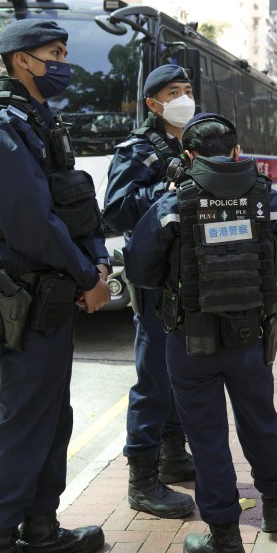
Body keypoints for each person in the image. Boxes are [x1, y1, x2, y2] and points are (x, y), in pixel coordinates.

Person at [0, 19, 111, 553]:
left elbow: (74, 203)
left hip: (54, 293)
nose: (63, 62)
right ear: (22, 61)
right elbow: (30, 224)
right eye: (53, 53)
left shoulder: (41, 123)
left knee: (52, 417)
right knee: (23, 423)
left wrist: (98, 267)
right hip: (25, 294)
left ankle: (40, 530)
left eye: (64, 51)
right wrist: (83, 276)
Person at [123, 112, 277, 553]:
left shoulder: (171, 203)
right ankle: (275, 505)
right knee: (261, 422)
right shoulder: (269, 197)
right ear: (238, 152)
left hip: (191, 343)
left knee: (206, 439)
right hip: (251, 339)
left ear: (188, 155)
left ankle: (225, 542)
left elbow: (141, 270)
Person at [103, 64, 197, 520]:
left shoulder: (197, 142)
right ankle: (142, 479)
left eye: (187, 90)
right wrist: (169, 186)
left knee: (183, 372)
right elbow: (117, 211)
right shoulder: (137, 150)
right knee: (154, 379)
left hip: (193, 276)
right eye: (173, 92)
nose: (184, 98)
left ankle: (173, 455)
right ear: (154, 104)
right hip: (156, 280)